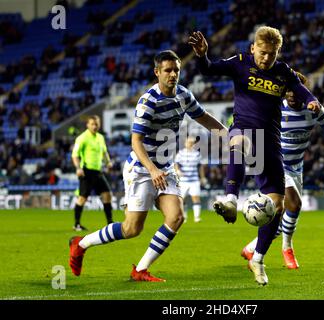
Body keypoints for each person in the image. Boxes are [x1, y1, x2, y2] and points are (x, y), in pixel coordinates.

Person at [69, 50, 227, 282]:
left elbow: (203, 117)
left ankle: (140, 270)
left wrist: (228, 134)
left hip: (165, 168)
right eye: (167, 70)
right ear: (157, 73)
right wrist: (152, 170)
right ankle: (80, 244)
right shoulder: (148, 101)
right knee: (132, 229)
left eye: (176, 70)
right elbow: (136, 141)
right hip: (142, 170)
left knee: (176, 217)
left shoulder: (184, 95)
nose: (173, 74)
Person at [189, 26, 322, 285]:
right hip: (244, 126)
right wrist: (202, 56)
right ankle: (230, 199)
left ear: (277, 53)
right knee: (237, 140)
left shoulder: (283, 72)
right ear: (253, 48)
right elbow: (209, 69)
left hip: (271, 142)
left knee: (278, 206)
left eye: (271, 55)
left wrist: (311, 101)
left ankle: (258, 259)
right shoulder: (240, 63)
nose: (265, 59)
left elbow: (301, 89)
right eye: (262, 53)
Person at [240, 72, 324, 269]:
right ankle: (287, 249)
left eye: (295, 90)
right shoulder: (275, 108)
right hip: (276, 164)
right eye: (288, 90)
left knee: (282, 215)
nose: (291, 94)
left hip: (297, 167)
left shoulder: (313, 109)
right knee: (294, 204)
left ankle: (251, 248)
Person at [71, 115, 114, 231]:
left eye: (97, 124)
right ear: (87, 125)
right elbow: (75, 155)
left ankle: (110, 223)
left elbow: (104, 152)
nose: (95, 126)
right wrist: (78, 168)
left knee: (107, 195)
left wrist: (108, 162)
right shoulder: (82, 138)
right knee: (82, 198)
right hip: (86, 171)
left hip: (98, 172)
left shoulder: (100, 137)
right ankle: (76, 224)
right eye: (92, 124)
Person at [174, 136, 207, 223]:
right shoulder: (180, 153)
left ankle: (197, 217)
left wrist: (202, 177)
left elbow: (200, 167)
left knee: (195, 197)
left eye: (192, 143)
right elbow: (176, 163)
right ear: (185, 143)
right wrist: (178, 171)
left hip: (194, 180)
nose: (190, 144)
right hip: (183, 180)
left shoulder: (197, 154)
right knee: (182, 199)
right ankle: (184, 216)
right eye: (189, 142)